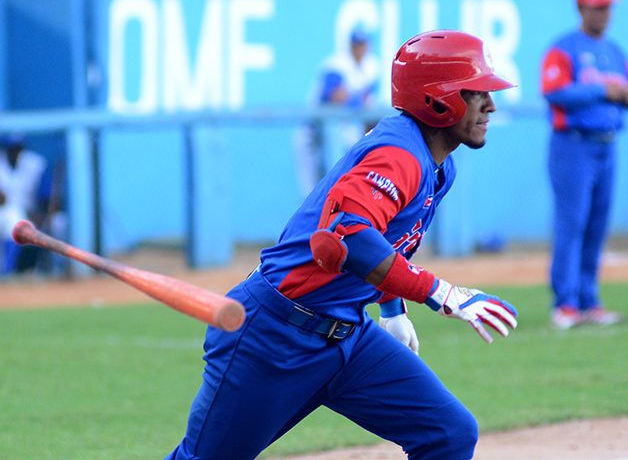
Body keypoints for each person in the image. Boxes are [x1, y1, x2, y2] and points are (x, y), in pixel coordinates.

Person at [165, 30, 518, 460]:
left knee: (449, 433)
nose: (490, 105)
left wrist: (391, 308)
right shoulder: (400, 155)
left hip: (347, 336)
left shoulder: (438, 166)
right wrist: (440, 293)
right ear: (438, 98)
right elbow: (348, 235)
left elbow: (387, 242)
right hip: (275, 336)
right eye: (477, 93)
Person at [541, 0, 628, 329]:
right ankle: (565, 303)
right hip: (573, 145)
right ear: (582, 8)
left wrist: (625, 94)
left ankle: (589, 300)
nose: (605, 14)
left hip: (606, 143)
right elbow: (553, 90)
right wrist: (603, 90)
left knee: (597, 225)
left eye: (608, 7)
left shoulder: (615, 51)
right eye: (598, 7)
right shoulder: (564, 48)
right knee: (573, 222)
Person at [294, 26, 380, 197]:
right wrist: (358, 100)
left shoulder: (372, 67)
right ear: (350, 45)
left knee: (339, 189)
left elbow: (367, 108)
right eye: (356, 44)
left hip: (341, 134)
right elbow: (337, 98)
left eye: (362, 44)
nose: (359, 48)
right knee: (311, 193)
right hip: (312, 135)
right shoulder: (335, 64)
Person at [0, 133, 49, 275]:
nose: (14, 152)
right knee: (12, 217)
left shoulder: (35, 163)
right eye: (11, 148)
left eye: (18, 148)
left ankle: (55, 269)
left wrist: (42, 214)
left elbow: (46, 196)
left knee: (59, 222)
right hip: (4, 213)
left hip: (32, 213)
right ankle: (7, 272)